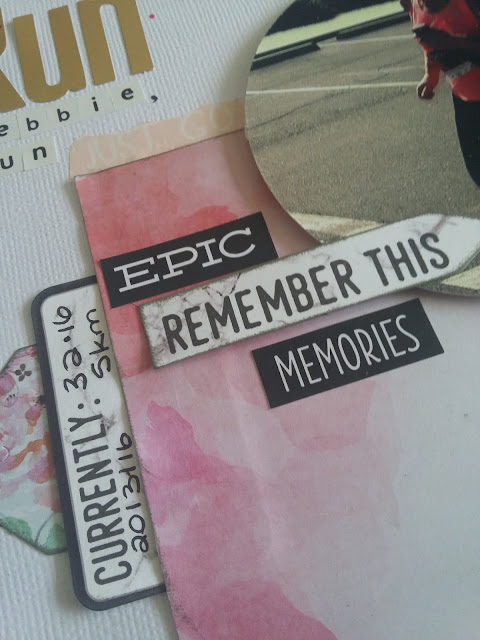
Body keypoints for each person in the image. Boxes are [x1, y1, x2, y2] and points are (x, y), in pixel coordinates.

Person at [402, 0, 480, 186]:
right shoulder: (412, 4)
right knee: (476, 170)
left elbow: (438, 40)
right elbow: (428, 41)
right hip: (465, 96)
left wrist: (450, 43)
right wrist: (430, 74)